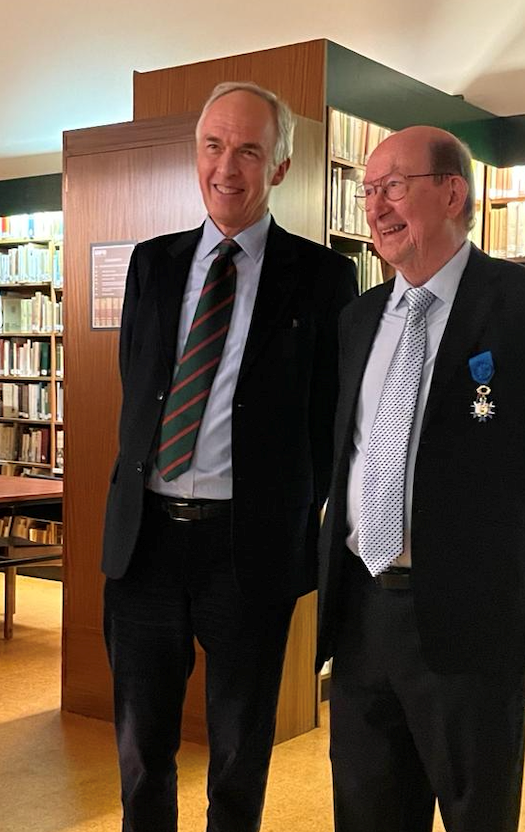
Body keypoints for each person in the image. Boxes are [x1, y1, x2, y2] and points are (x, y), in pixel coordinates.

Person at [316, 125, 525, 832]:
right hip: (362, 617)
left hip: (471, 621)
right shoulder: (359, 317)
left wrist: (511, 568)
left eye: (394, 186)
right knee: (367, 815)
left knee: (479, 816)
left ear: (451, 192)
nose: (376, 206)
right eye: (369, 190)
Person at [102, 80, 357, 832]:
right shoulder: (152, 264)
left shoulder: (323, 277)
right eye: (213, 146)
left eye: (249, 149)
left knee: (240, 755)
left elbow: (328, 417)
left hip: (246, 551)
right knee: (142, 751)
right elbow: (138, 388)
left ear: (278, 167)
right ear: (196, 155)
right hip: (143, 542)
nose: (227, 166)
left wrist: (286, 505)